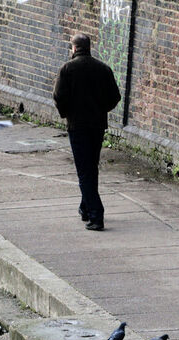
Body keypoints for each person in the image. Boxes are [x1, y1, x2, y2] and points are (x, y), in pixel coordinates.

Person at [53, 33, 121, 231]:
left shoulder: (67, 69)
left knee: (84, 171)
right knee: (91, 167)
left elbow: (58, 97)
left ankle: (96, 215)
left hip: (77, 126)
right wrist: (101, 110)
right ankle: (85, 208)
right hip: (97, 125)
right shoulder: (103, 68)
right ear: (89, 47)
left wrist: (67, 113)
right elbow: (115, 96)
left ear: (74, 48)